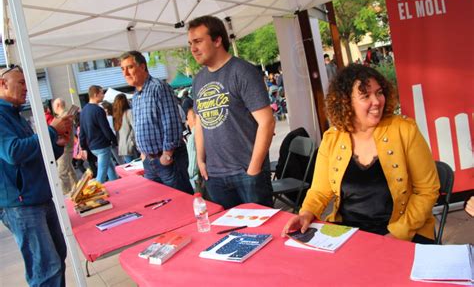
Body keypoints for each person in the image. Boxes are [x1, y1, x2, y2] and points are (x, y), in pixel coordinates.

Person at [282, 64, 440, 243]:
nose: (377, 101)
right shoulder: (332, 139)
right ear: (345, 102)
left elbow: (427, 191)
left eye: (379, 92)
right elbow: (319, 191)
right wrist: (306, 214)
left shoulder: (405, 130)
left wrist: (398, 233)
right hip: (350, 233)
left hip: (404, 231)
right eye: (366, 96)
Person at [188, 15, 275, 209]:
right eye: (190, 43)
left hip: (246, 172)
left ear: (218, 40)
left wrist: (254, 169)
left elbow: (267, 122)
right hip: (214, 175)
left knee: (262, 233)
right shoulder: (198, 79)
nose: (193, 49)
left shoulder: (242, 71)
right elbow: (200, 122)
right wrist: (200, 161)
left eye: (198, 41)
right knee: (228, 233)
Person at [0, 65, 72, 286]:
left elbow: (32, 153)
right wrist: (51, 130)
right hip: (22, 204)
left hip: (38, 198)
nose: (26, 88)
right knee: (46, 269)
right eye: (20, 83)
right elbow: (13, 153)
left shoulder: (15, 114)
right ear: (2, 84)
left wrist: (58, 144)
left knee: (56, 260)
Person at [119, 51, 193, 194]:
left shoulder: (158, 87)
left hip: (168, 159)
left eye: (130, 67)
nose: (125, 73)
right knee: (160, 205)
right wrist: (143, 153)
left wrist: (167, 154)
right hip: (150, 161)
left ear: (142, 67)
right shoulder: (136, 95)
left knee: (181, 203)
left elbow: (171, 122)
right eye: (122, 69)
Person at [79, 85, 118, 183]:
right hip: (102, 146)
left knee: (110, 168)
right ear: (96, 95)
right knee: (101, 176)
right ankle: (97, 194)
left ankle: (116, 185)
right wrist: (115, 140)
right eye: (102, 93)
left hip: (92, 146)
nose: (103, 95)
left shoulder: (83, 111)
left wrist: (83, 147)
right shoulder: (98, 110)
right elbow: (106, 129)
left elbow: (82, 131)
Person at [52, 98, 77, 194]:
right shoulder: (67, 115)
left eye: (54, 106)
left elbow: (62, 133)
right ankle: (77, 189)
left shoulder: (64, 117)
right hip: (66, 147)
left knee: (62, 173)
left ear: (58, 105)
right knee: (69, 170)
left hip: (64, 148)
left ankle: (66, 194)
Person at [112, 93, 137, 163]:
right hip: (131, 145)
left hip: (122, 146)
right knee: (136, 168)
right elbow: (136, 128)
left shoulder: (116, 116)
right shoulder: (129, 112)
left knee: (130, 168)